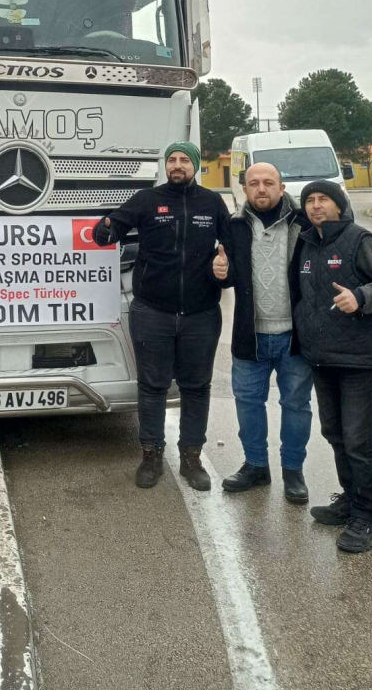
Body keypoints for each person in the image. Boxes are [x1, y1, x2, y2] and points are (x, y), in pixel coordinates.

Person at [93, 141, 231, 491]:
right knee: (152, 386)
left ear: (195, 165)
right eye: (172, 160)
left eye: (184, 160)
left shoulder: (212, 203)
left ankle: (191, 458)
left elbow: (232, 251)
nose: (177, 165)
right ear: (165, 166)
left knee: (196, 387)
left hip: (201, 313)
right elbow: (108, 231)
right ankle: (151, 455)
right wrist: (105, 228)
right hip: (152, 312)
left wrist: (225, 270)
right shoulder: (147, 199)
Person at [291, 180, 372, 553]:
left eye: (323, 199)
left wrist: (360, 296)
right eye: (310, 200)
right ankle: (351, 501)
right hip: (323, 358)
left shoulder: (360, 240)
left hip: (360, 360)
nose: (315, 205)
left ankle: (369, 519)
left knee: (358, 441)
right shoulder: (308, 243)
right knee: (336, 434)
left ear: (339, 205)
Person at [215, 163, 312, 503]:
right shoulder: (234, 225)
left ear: (281, 188)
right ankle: (256, 466)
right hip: (250, 333)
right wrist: (220, 271)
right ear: (244, 189)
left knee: (296, 405)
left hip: (295, 336)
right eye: (253, 183)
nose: (261, 188)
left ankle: (293, 471)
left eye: (268, 182)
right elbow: (228, 275)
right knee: (248, 403)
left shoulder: (303, 223)